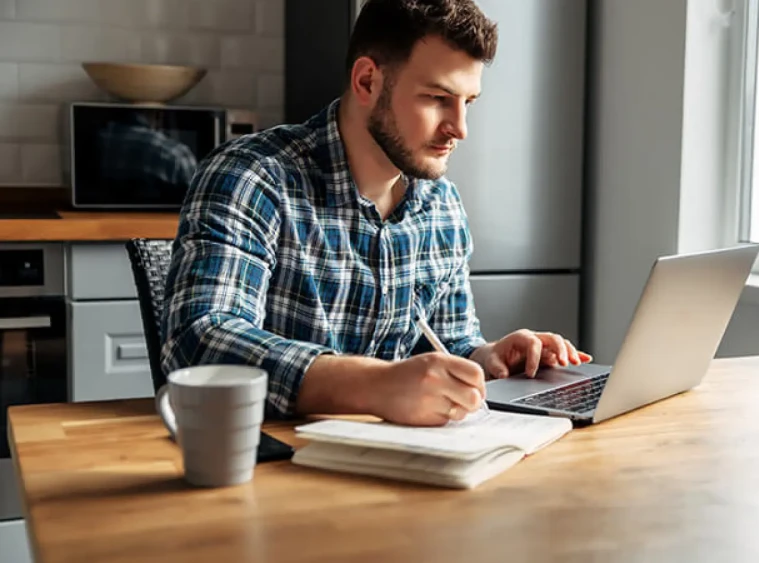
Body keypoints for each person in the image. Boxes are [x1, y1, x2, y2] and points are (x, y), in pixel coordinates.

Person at [160, 0, 591, 427]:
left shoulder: (442, 204)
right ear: (367, 81)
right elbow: (200, 342)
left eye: (468, 102)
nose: (459, 128)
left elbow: (447, 341)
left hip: (401, 471)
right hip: (270, 466)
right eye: (438, 98)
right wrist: (375, 385)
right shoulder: (253, 177)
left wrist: (487, 359)